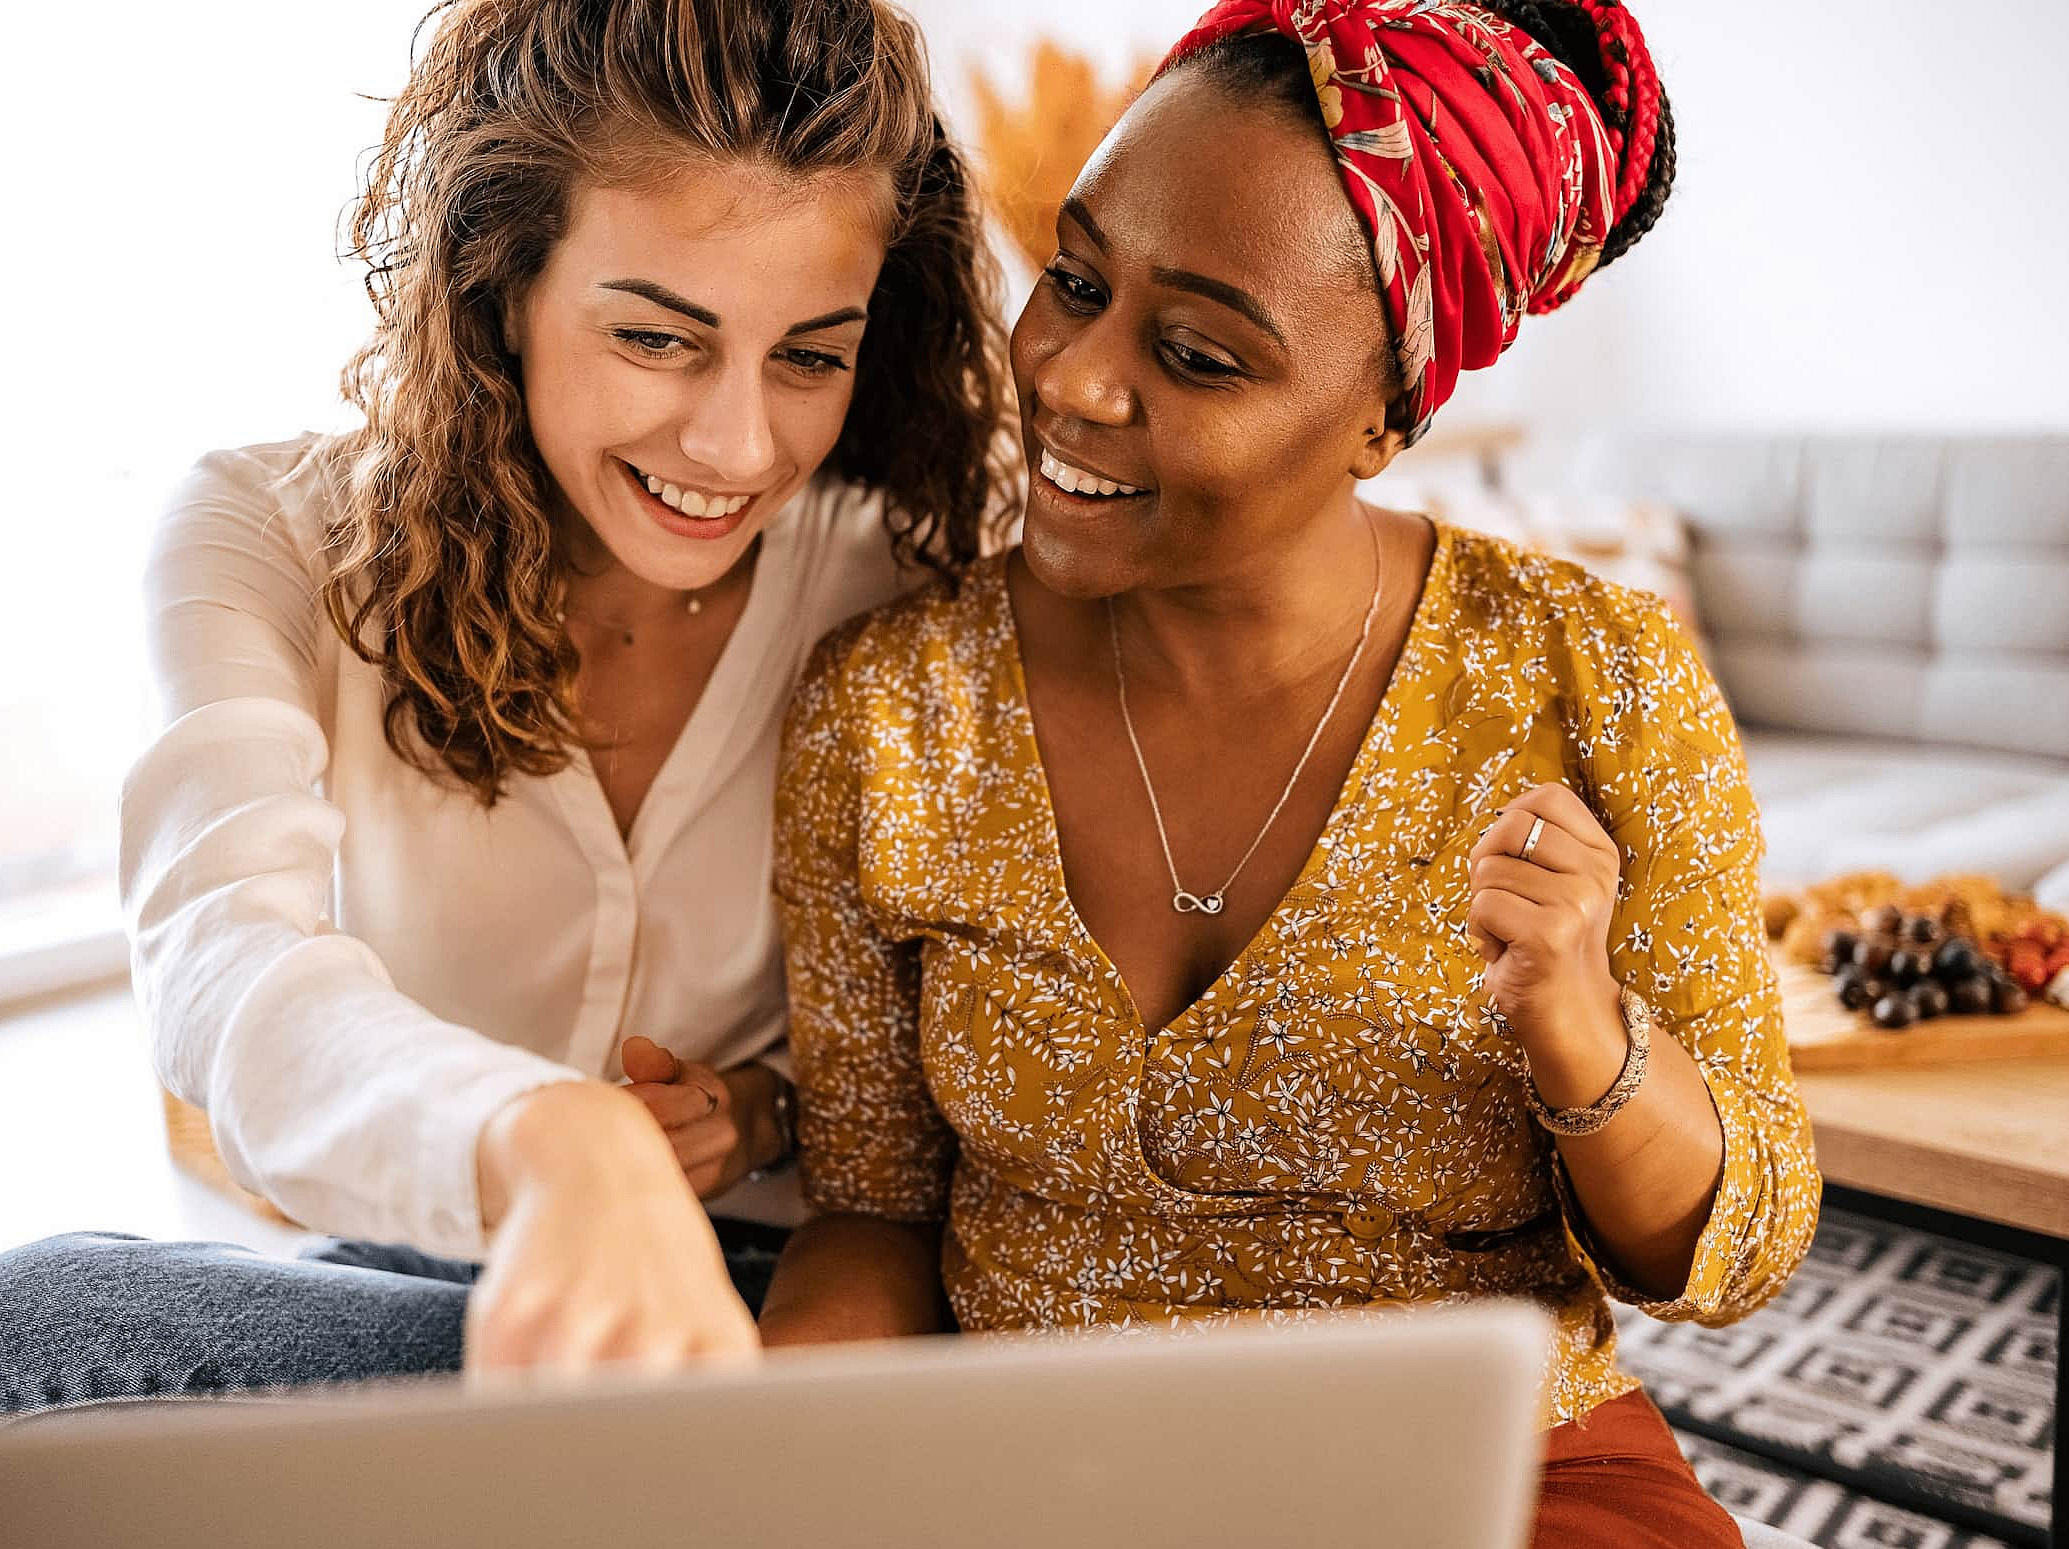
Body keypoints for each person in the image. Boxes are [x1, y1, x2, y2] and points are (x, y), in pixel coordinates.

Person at [756, 2, 1817, 1544]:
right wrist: (774, 1458)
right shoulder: (890, 705)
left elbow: (1734, 1248)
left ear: (1386, 416)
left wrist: (1583, 1037)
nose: (1069, 379)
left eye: (1194, 352)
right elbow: (870, 1210)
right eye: (1071, 279)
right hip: (1041, 1472)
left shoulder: (1598, 680)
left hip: (1484, 1469)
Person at [0, 0, 1010, 1412]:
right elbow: (228, 978)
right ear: (500, 286)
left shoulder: (902, 577)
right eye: (659, 339)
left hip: (792, 1305)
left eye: (807, 355)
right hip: (423, 1285)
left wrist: (763, 1110)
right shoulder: (262, 536)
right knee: (35, 1312)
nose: (737, 443)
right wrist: (549, 1141)